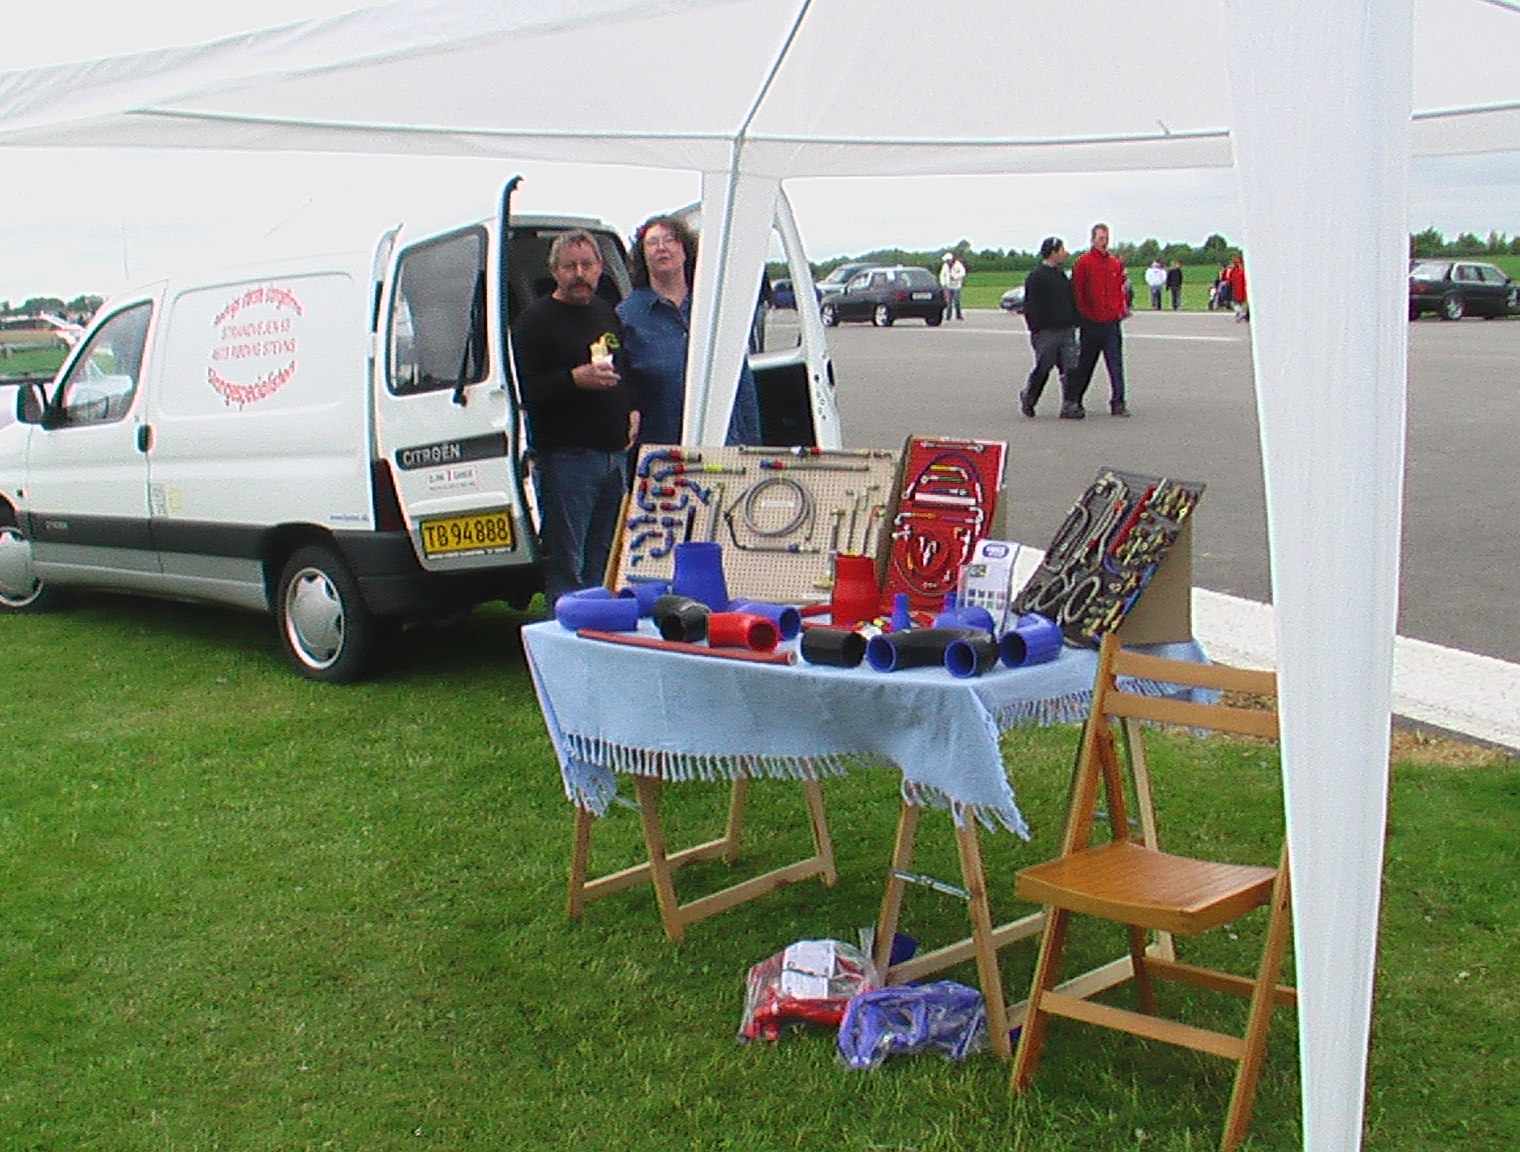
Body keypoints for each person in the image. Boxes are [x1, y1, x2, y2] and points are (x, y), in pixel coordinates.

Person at [512, 229, 639, 606]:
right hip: (566, 460)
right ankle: (562, 629)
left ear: (600, 268)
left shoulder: (605, 312)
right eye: (570, 266)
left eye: (587, 265)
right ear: (554, 270)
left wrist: (632, 408)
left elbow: (624, 367)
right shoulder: (534, 321)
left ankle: (595, 626)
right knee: (568, 561)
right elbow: (523, 390)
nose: (579, 274)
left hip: (613, 457)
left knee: (604, 557)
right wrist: (573, 379)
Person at [617, 214, 762, 447]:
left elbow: (741, 381)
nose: (662, 247)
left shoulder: (713, 309)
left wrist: (752, 445)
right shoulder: (626, 316)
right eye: (652, 242)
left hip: (723, 445)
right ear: (642, 256)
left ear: (686, 250)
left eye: (670, 240)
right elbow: (620, 385)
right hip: (661, 448)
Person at [1067, 222, 1131, 419]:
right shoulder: (1083, 263)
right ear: (1093, 239)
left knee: (1116, 364)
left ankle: (1118, 402)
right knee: (1085, 364)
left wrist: (1120, 309)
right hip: (1091, 322)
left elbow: (1120, 289)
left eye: (1106, 238)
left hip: (1111, 322)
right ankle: (1075, 400)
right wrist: (1082, 316)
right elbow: (1078, 291)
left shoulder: (1114, 263)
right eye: (1101, 238)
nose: (1104, 242)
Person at [1018, 236, 1080, 419]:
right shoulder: (1037, 276)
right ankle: (1030, 397)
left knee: (1071, 368)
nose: (1065, 253)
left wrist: (1075, 319)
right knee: (1043, 367)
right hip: (1046, 332)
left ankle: (1070, 404)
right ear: (1053, 252)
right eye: (1062, 250)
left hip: (1066, 329)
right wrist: (1036, 329)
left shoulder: (1061, 275)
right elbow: (1031, 306)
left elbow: (1070, 299)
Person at [939, 251, 967, 320]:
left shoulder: (958, 264)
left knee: (957, 301)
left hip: (957, 286)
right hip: (948, 286)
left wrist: (955, 276)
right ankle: (948, 316)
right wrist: (943, 284)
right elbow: (942, 275)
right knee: (949, 302)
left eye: (948, 260)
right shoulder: (945, 266)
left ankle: (958, 315)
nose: (947, 262)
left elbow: (963, 272)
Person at [1225, 254, 1249, 322]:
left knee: (1237, 302)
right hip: (1236, 289)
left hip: (1240, 289)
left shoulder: (1240, 271)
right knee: (1237, 302)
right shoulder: (1236, 270)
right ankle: (1239, 314)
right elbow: (1230, 279)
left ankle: (1240, 314)